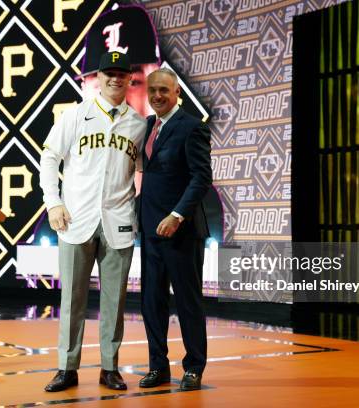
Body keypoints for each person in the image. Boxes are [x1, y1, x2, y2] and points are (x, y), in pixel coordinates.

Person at [39, 51, 146, 392]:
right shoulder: (75, 115)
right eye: (108, 73)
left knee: (114, 301)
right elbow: (49, 158)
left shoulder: (139, 123)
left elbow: (144, 169)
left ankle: (109, 367)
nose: (115, 78)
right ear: (97, 77)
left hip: (118, 219)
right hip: (76, 218)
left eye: (121, 73)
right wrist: (53, 202)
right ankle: (66, 367)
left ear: (130, 78)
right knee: (72, 299)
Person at [138, 68, 212, 391]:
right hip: (151, 232)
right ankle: (158, 367)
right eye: (152, 90)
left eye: (163, 91)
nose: (157, 96)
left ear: (177, 92)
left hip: (181, 232)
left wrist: (177, 214)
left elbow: (201, 177)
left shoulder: (192, 127)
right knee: (152, 303)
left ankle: (194, 367)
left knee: (187, 303)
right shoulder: (148, 127)